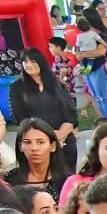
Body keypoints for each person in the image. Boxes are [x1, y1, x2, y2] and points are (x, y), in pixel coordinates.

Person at [9, 49, 77, 177]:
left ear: (41, 62)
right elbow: (19, 118)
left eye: (33, 61)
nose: (28, 65)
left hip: (64, 137)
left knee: (68, 177)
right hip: (37, 140)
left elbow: (71, 114)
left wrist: (60, 135)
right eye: (25, 61)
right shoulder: (17, 87)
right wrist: (47, 137)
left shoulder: (57, 84)